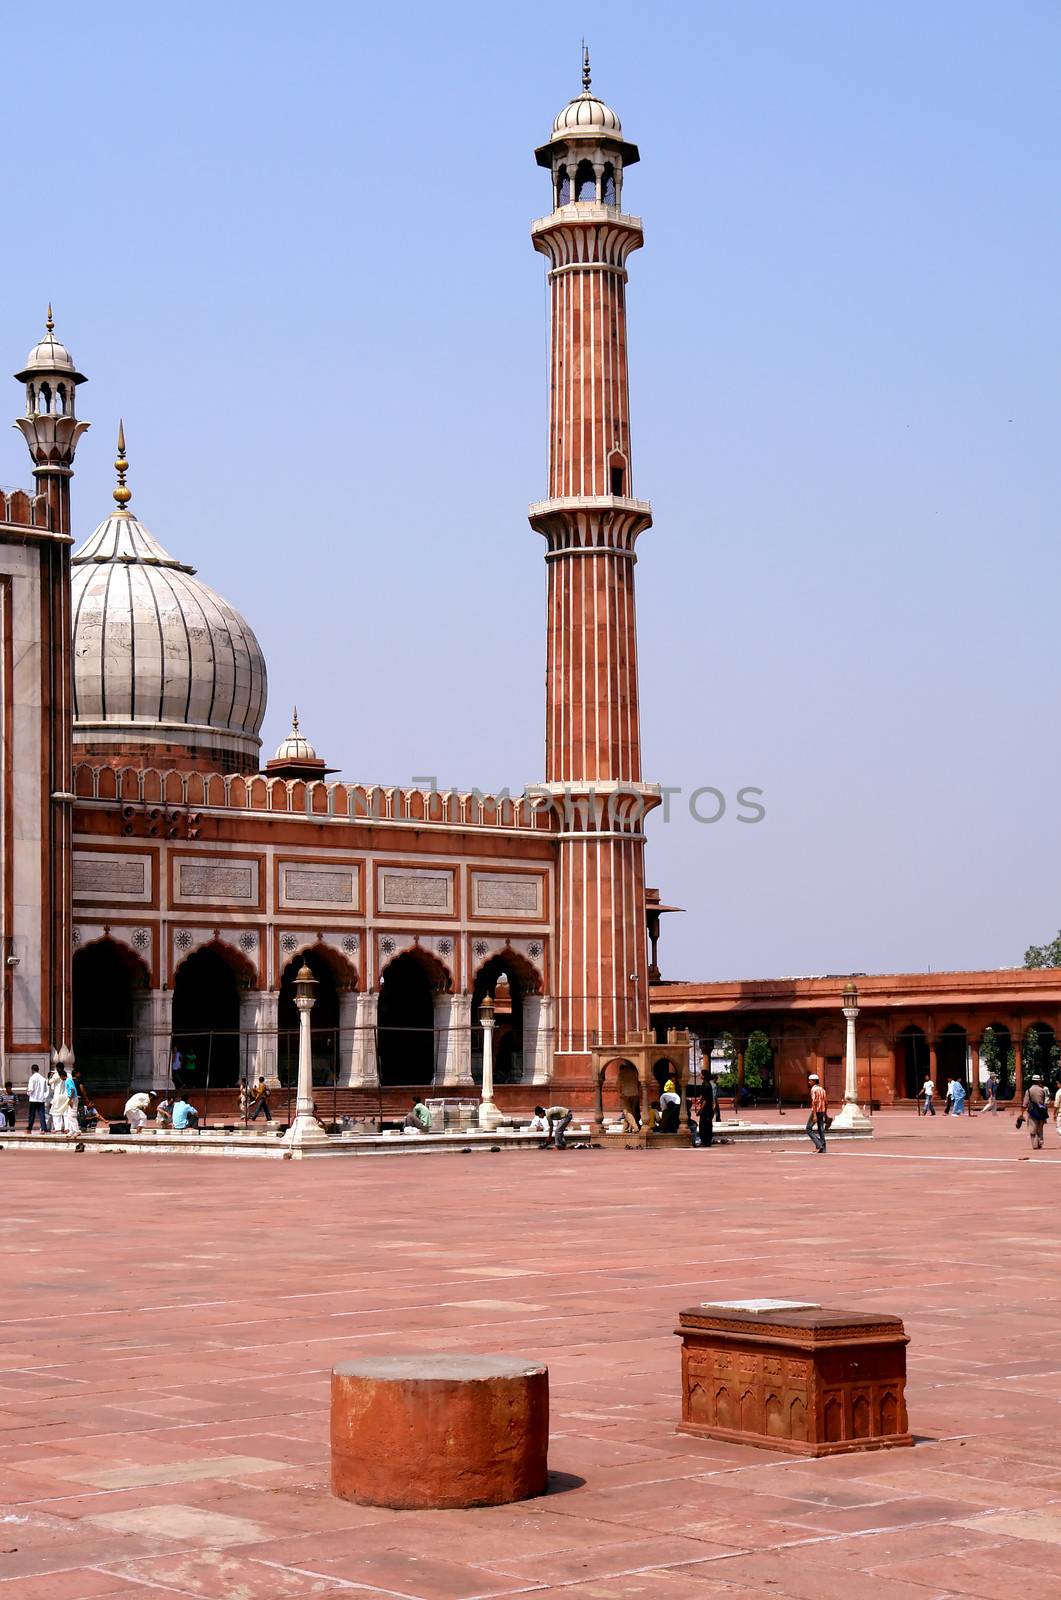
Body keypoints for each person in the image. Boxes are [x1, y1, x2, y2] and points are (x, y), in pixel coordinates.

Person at [1021, 1074, 1049, 1149]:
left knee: (1032, 1128)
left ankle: (1035, 1144)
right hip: (1041, 1110)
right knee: (1040, 1127)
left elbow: (1025, 1103)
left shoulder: (1029, 1090)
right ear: (1039, 1081)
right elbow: (1044, 1102)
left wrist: (1022, 1112)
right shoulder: (1042, 1090)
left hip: (1032, 1111)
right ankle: (1040, 1141)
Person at [806, 1073, 828, 1153]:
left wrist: (814, 1115)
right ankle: (824, 1148)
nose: (809, 1082)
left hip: (816, 1111)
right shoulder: (822, 1089)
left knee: (808, 1128)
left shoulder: (813, 1090)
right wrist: (825, 1113)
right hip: (822, 1111)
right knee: (820, 1129)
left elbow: (814, 1103)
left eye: (810, 1081)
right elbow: (826, 1103)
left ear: (814, 1081)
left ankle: (819, 1144)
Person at [617, 1062, 641, 1132]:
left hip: (625, 1095)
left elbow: (618, 1085)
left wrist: (619, 1093)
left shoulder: (621, 1074)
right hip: (635, 1094)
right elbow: (639, 1084)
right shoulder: (635, 1073)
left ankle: (635, 1127)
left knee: (626, 1112)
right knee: (631, 1112)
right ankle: (626, 1128)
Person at [26, 1066, 48, 1134]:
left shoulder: (32, 1078)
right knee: (42, 1115)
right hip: (41, 1099)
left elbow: (31, 1089)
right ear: (38, 1070)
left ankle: (29, 1129)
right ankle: (43, 1129)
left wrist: (28, 1093)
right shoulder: (43, 1078)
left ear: (32, 1070)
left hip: (33, 1099)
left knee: (31, 1115)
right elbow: (45, 1090)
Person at [694, 1079, 715, 1148]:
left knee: (705, 1126)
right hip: (707, 1109)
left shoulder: (706, 1085)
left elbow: (706, 1099)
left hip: (706, 1110)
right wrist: (699, 1100)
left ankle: (706, 1141)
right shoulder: (706, 1084)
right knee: (704, 1125)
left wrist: (700, 1109)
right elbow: (703, 1096)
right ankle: (706, 1141)